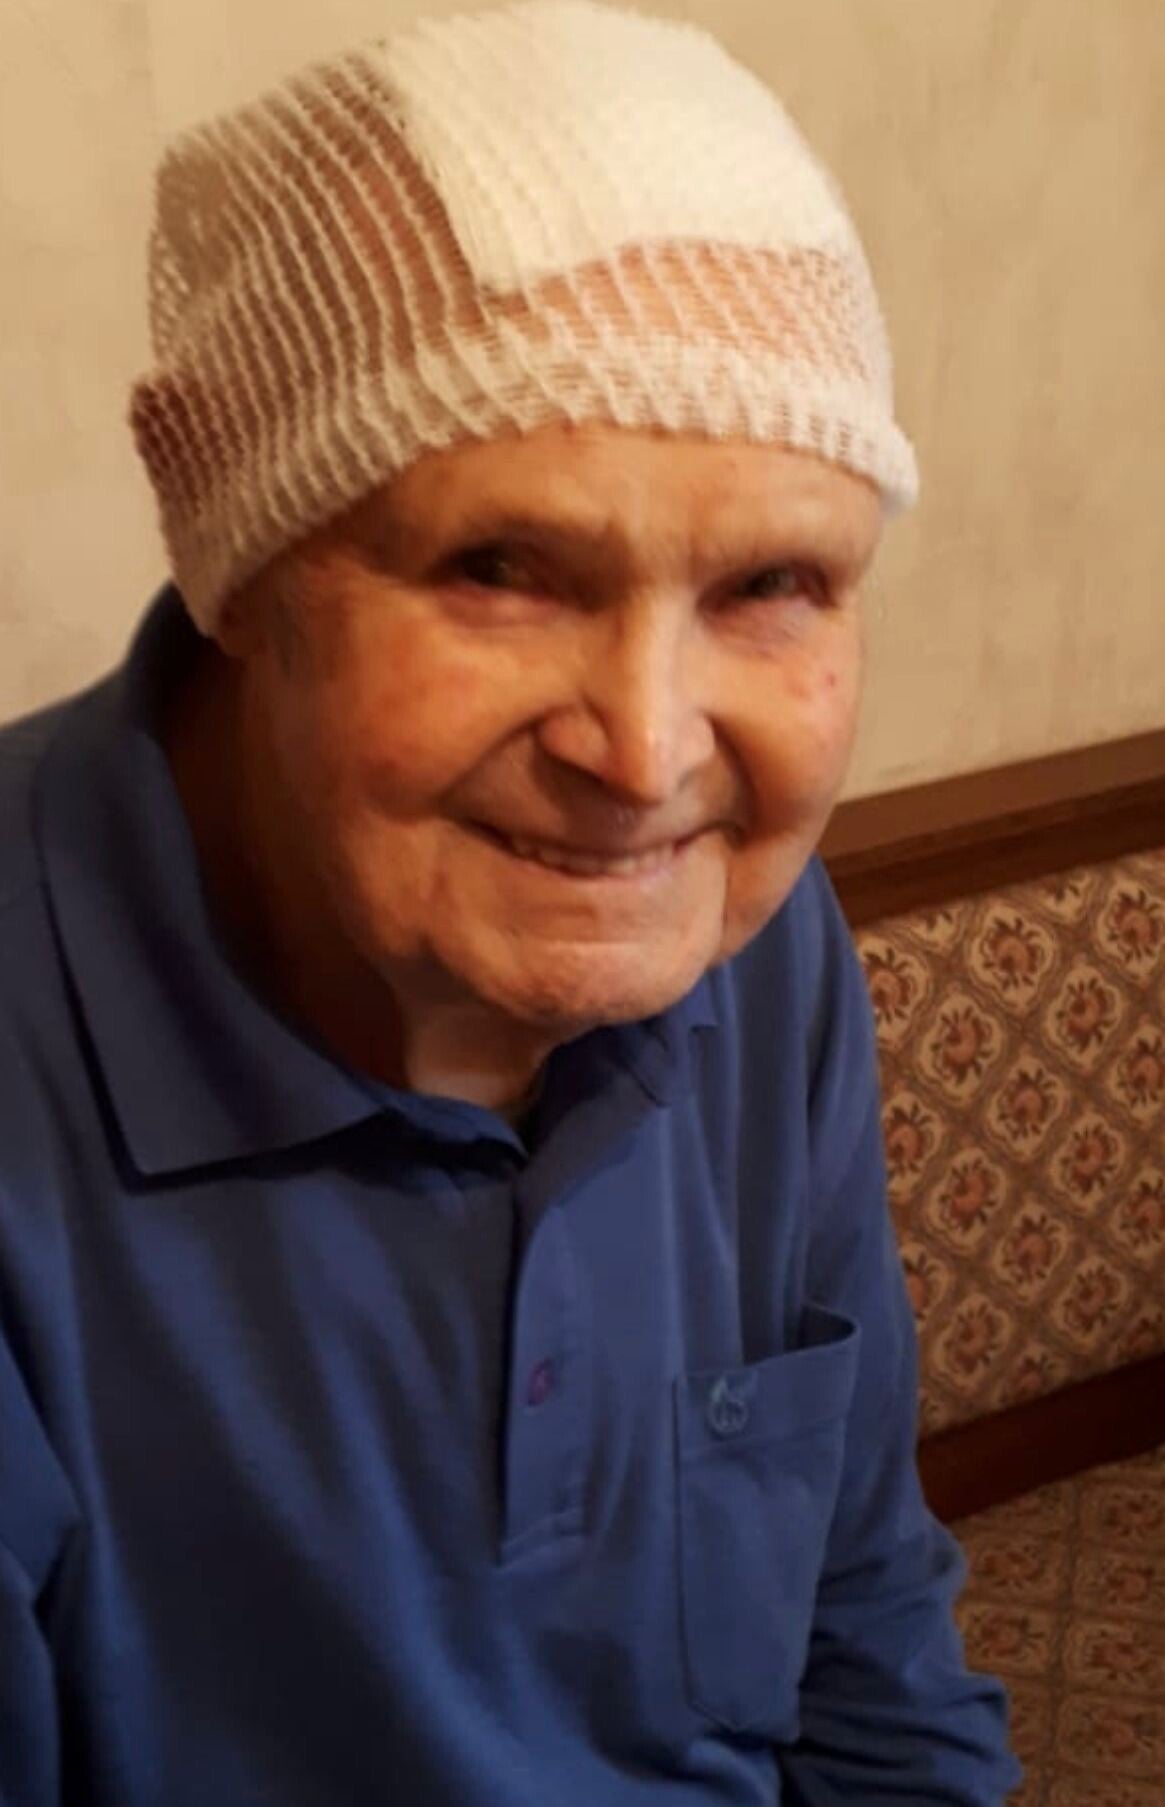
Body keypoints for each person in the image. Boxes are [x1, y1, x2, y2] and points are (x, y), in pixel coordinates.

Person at [0, 2, 1021, 1801]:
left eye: (771, 584)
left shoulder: (754, 946)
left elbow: (862, 1629)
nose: (645, 755)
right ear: (225, 534)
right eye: (499, 568)